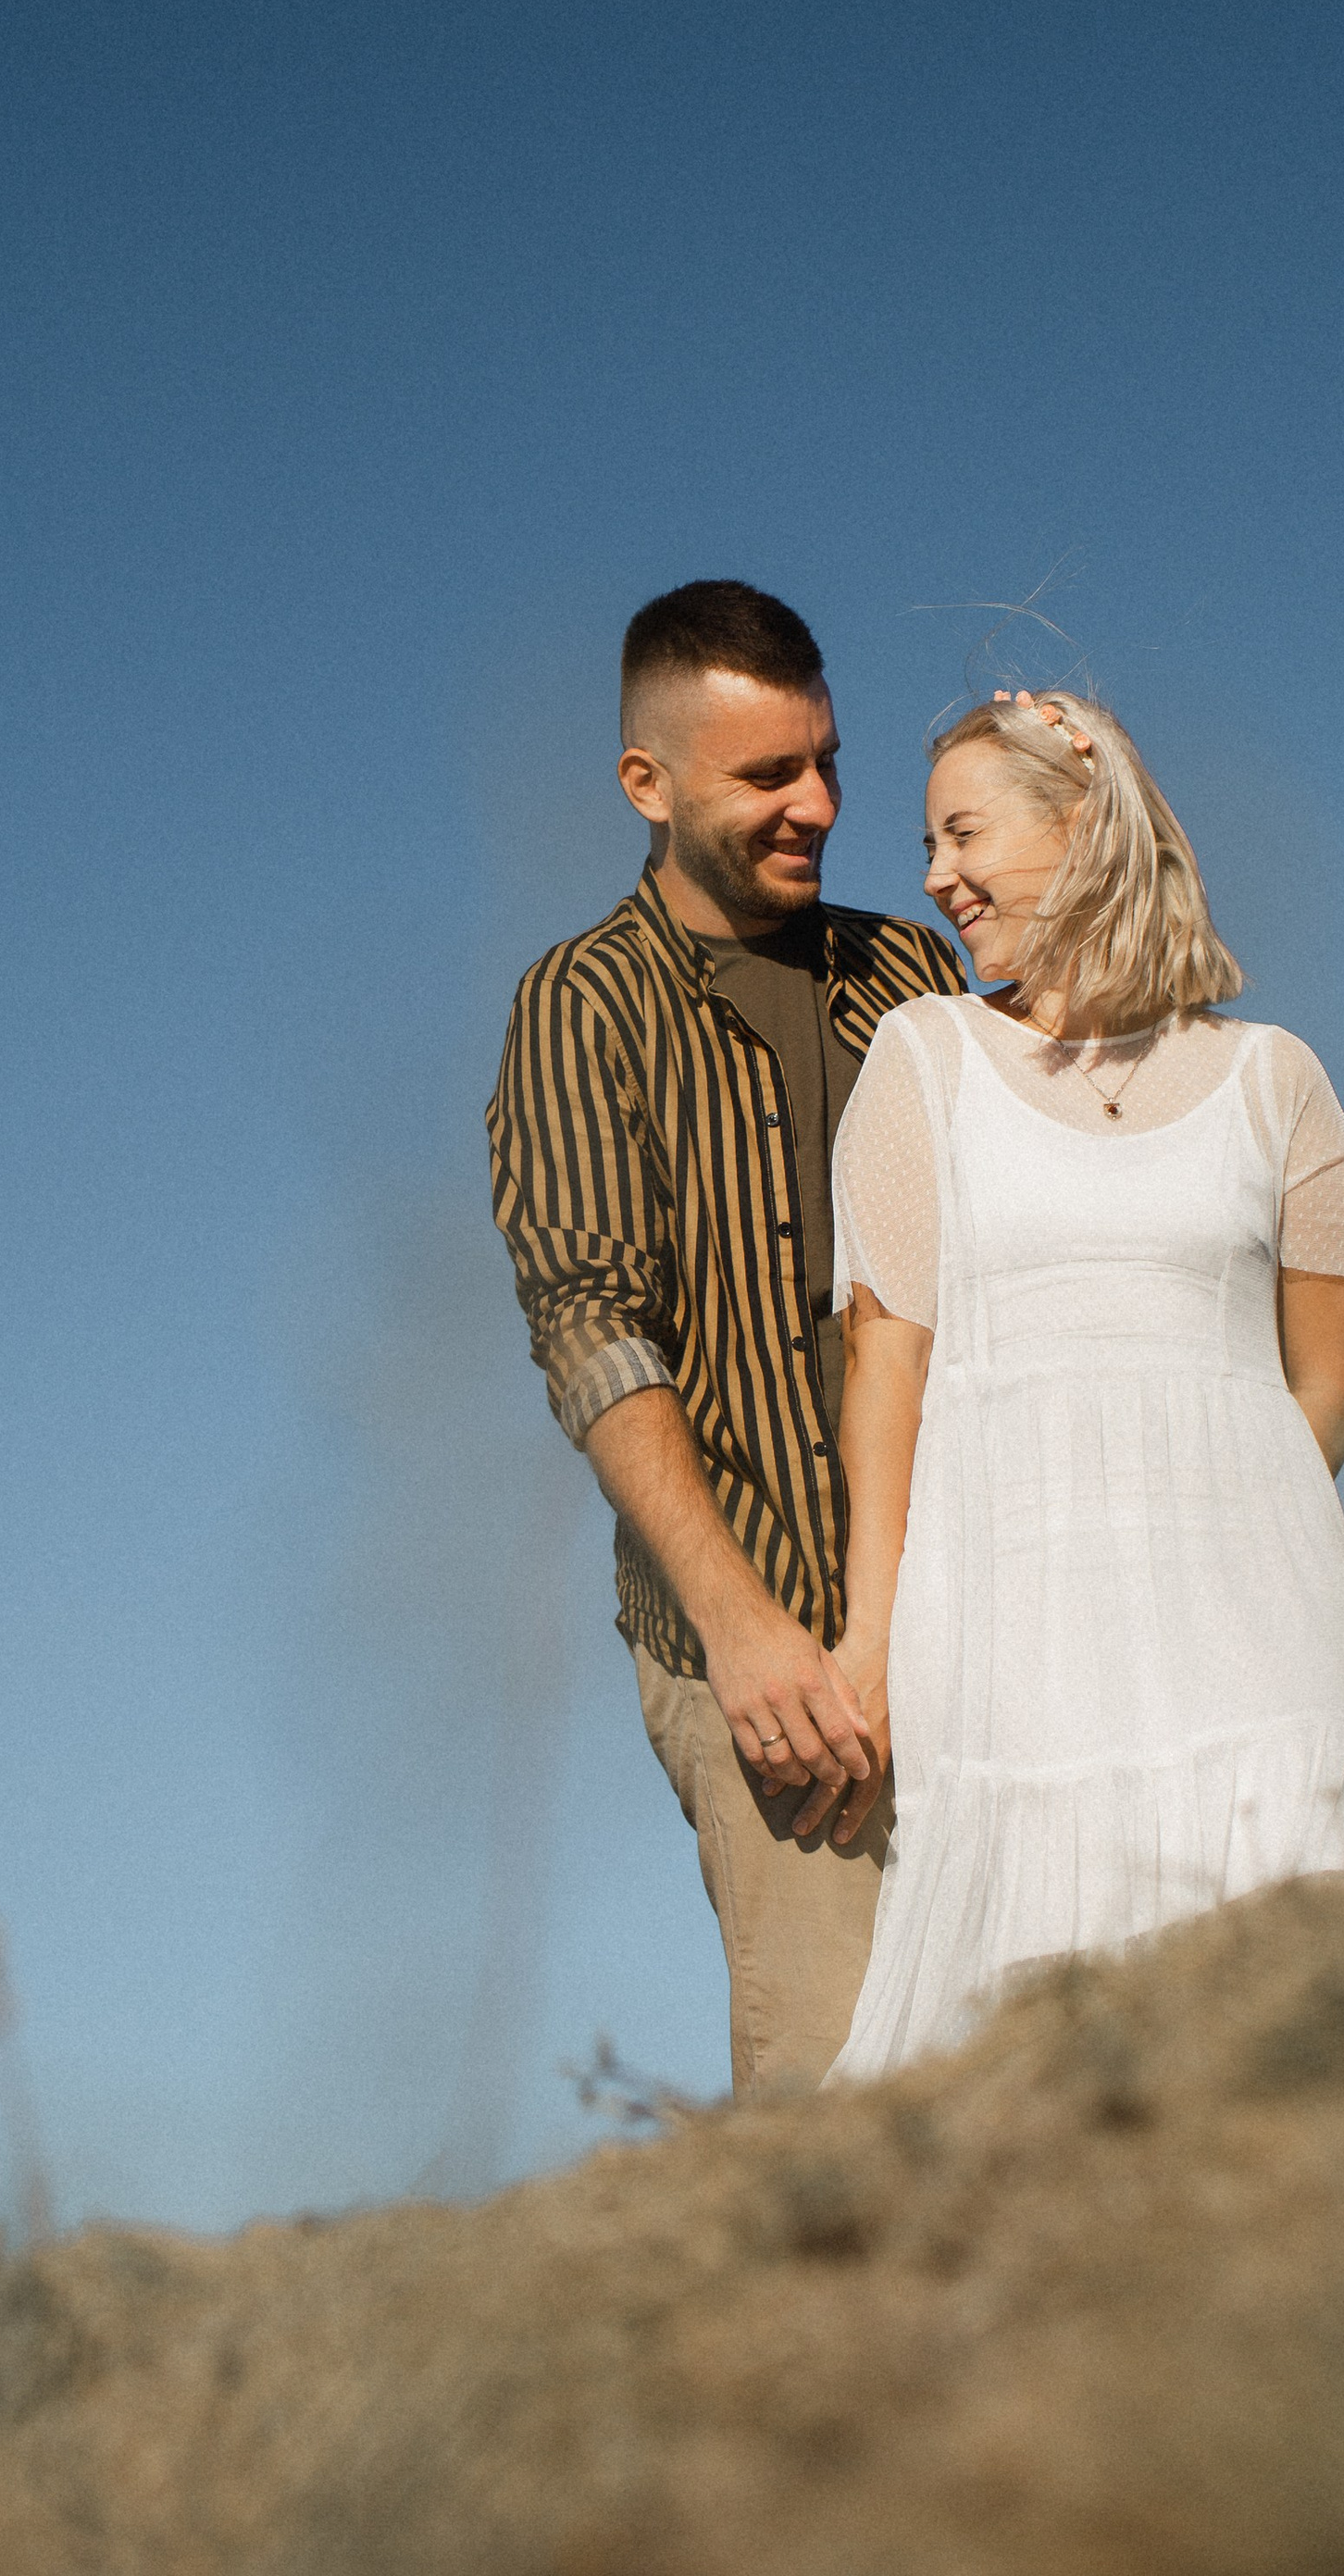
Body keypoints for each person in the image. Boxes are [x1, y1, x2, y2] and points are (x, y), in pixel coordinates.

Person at [824, 689, 1344, 2079]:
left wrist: (1196, 1524)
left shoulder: (1277, 1082)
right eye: (926, 842)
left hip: (1261, 1641)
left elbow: (1328, 1388)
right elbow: (884, 1367)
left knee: (1298, 2024)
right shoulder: (927, 1062)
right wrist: (871, 1635)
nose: (931, 877)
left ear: (1083, 827)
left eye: (963, 833)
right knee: (1032, 2053)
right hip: (1014, 1641)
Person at [487, 580, 966, 2092]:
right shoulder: (583, 1005)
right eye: (769, 774)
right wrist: (743, 1631)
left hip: (970, 1619)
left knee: (1041, 2079)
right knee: (836, 2090)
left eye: (827, 761)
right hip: (764, 1649)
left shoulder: (916, 976)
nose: (817, 804)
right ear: (649, 782)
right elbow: (589, 1325)